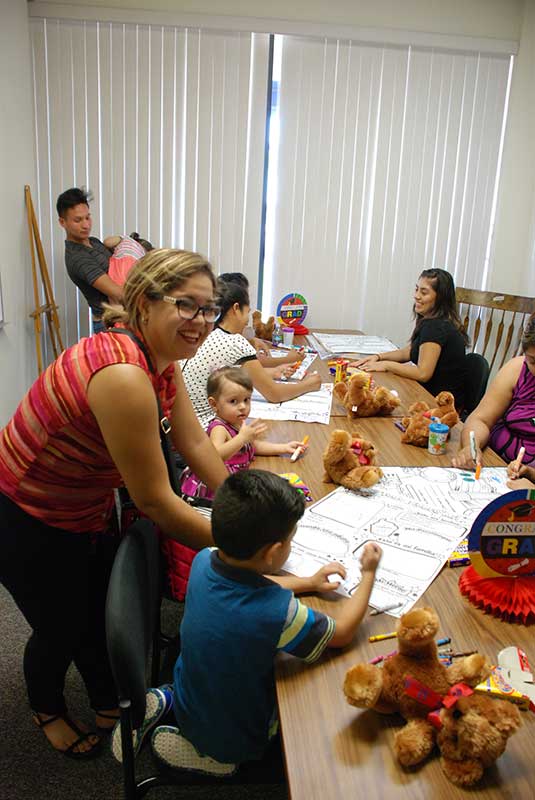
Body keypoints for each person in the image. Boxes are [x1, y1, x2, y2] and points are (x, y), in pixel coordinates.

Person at [0, 249, 229, 759]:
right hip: (25, 513)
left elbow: (195, 446)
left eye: (209, 308)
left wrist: (246, 501)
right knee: (59, 623)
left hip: (83, 503)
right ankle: (47, 707)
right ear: (144, 303)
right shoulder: (124, 374)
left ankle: (107, 697)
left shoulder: (161, 362)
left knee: (94, 606)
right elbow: (154, 499)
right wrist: (241, 542)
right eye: (186, 306)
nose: (201, 321)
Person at [148, 470, 382, 773]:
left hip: (191, 688)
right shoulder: (276, 613)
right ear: (273, 552)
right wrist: (368, 574)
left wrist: (308, 581)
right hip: (235, 737)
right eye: (289, 541)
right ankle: (213, 759)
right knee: (310, 703)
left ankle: (170, 701)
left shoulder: (204, 558)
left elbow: (255, 584)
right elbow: (342, 633)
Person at [164, 366, 309, 601]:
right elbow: (215, 454)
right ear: (214, 404)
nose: (242, 407)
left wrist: (282, 448)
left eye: (246, 400)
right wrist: (242, 437)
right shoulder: (219, 427)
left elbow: (251, 446)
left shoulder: (237, 423)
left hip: (233, 481)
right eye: (234, 401)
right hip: (210, 489)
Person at [182, 280, 321, 429]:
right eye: (247, 312)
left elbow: (229, 372)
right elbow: (274, 394)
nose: (247, 321)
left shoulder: (206, 334)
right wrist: (309, 384)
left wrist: (270, 373)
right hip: (206, 431)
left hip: (183, 429)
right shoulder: (235, 342)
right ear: (236, 308)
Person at [352, 269, 468, 410]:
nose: (416, 296)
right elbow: (410, 351)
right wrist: (378, 357)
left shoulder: (436, 327)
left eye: (424, 292)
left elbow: (423, 373)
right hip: (427, 395)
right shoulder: (433, 321)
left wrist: (387, 365)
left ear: (440, 298)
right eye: (417, 289)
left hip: (438, 405)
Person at [453, 314, 535, 472]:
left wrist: (530, 474)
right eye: (533, 361)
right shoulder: (517, 370)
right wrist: (472, 446)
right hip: (492, 464)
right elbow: (481, 419)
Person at [57, 188, 123, 333]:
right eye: (78, 220)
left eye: (87, 217)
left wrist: (123, 241)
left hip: (121, 318)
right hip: (110, 326)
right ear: (63, 222)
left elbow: (118, 261)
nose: (86, 225)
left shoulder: (93, 242)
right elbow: (119, 293)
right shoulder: (78, 258)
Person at [217, 271, 303, 368]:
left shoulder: (219, 331)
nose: (247, 319)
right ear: (236, 307)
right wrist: (289, 359)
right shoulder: (233, 341)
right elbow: (257, 367)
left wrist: (251, 341)